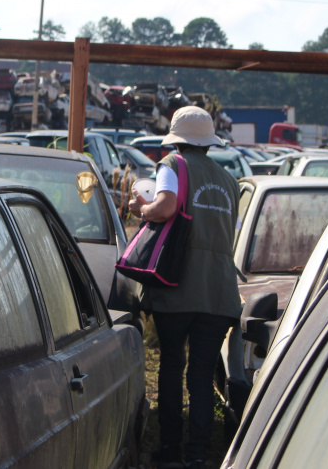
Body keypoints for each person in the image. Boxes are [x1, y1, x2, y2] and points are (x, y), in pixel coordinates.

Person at [128, 106, 241, 468]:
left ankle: (170, 450)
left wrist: (140, 209)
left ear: (177, 140)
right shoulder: (229, 181)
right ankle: (198, 456)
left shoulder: (173, 165)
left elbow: (164, 207)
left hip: (177, 284)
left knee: (172, 365)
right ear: (208, 142)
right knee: (202, 374)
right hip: (219, 291)